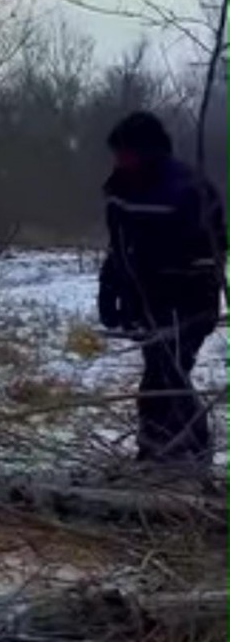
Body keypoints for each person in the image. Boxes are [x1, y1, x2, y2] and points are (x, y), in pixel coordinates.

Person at [98, 111, 226, 467]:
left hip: (186, 306)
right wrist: (110, 292)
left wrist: (180, 297)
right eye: (117, 154)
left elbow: (210, 254)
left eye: (125, 153)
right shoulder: (120, 189)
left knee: (166, 376)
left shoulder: (189, 189)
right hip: (145, 306)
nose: (119, 161)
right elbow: (118, 248)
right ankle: (158, 453)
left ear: (146, 150)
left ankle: (187, 454)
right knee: (161, 376)